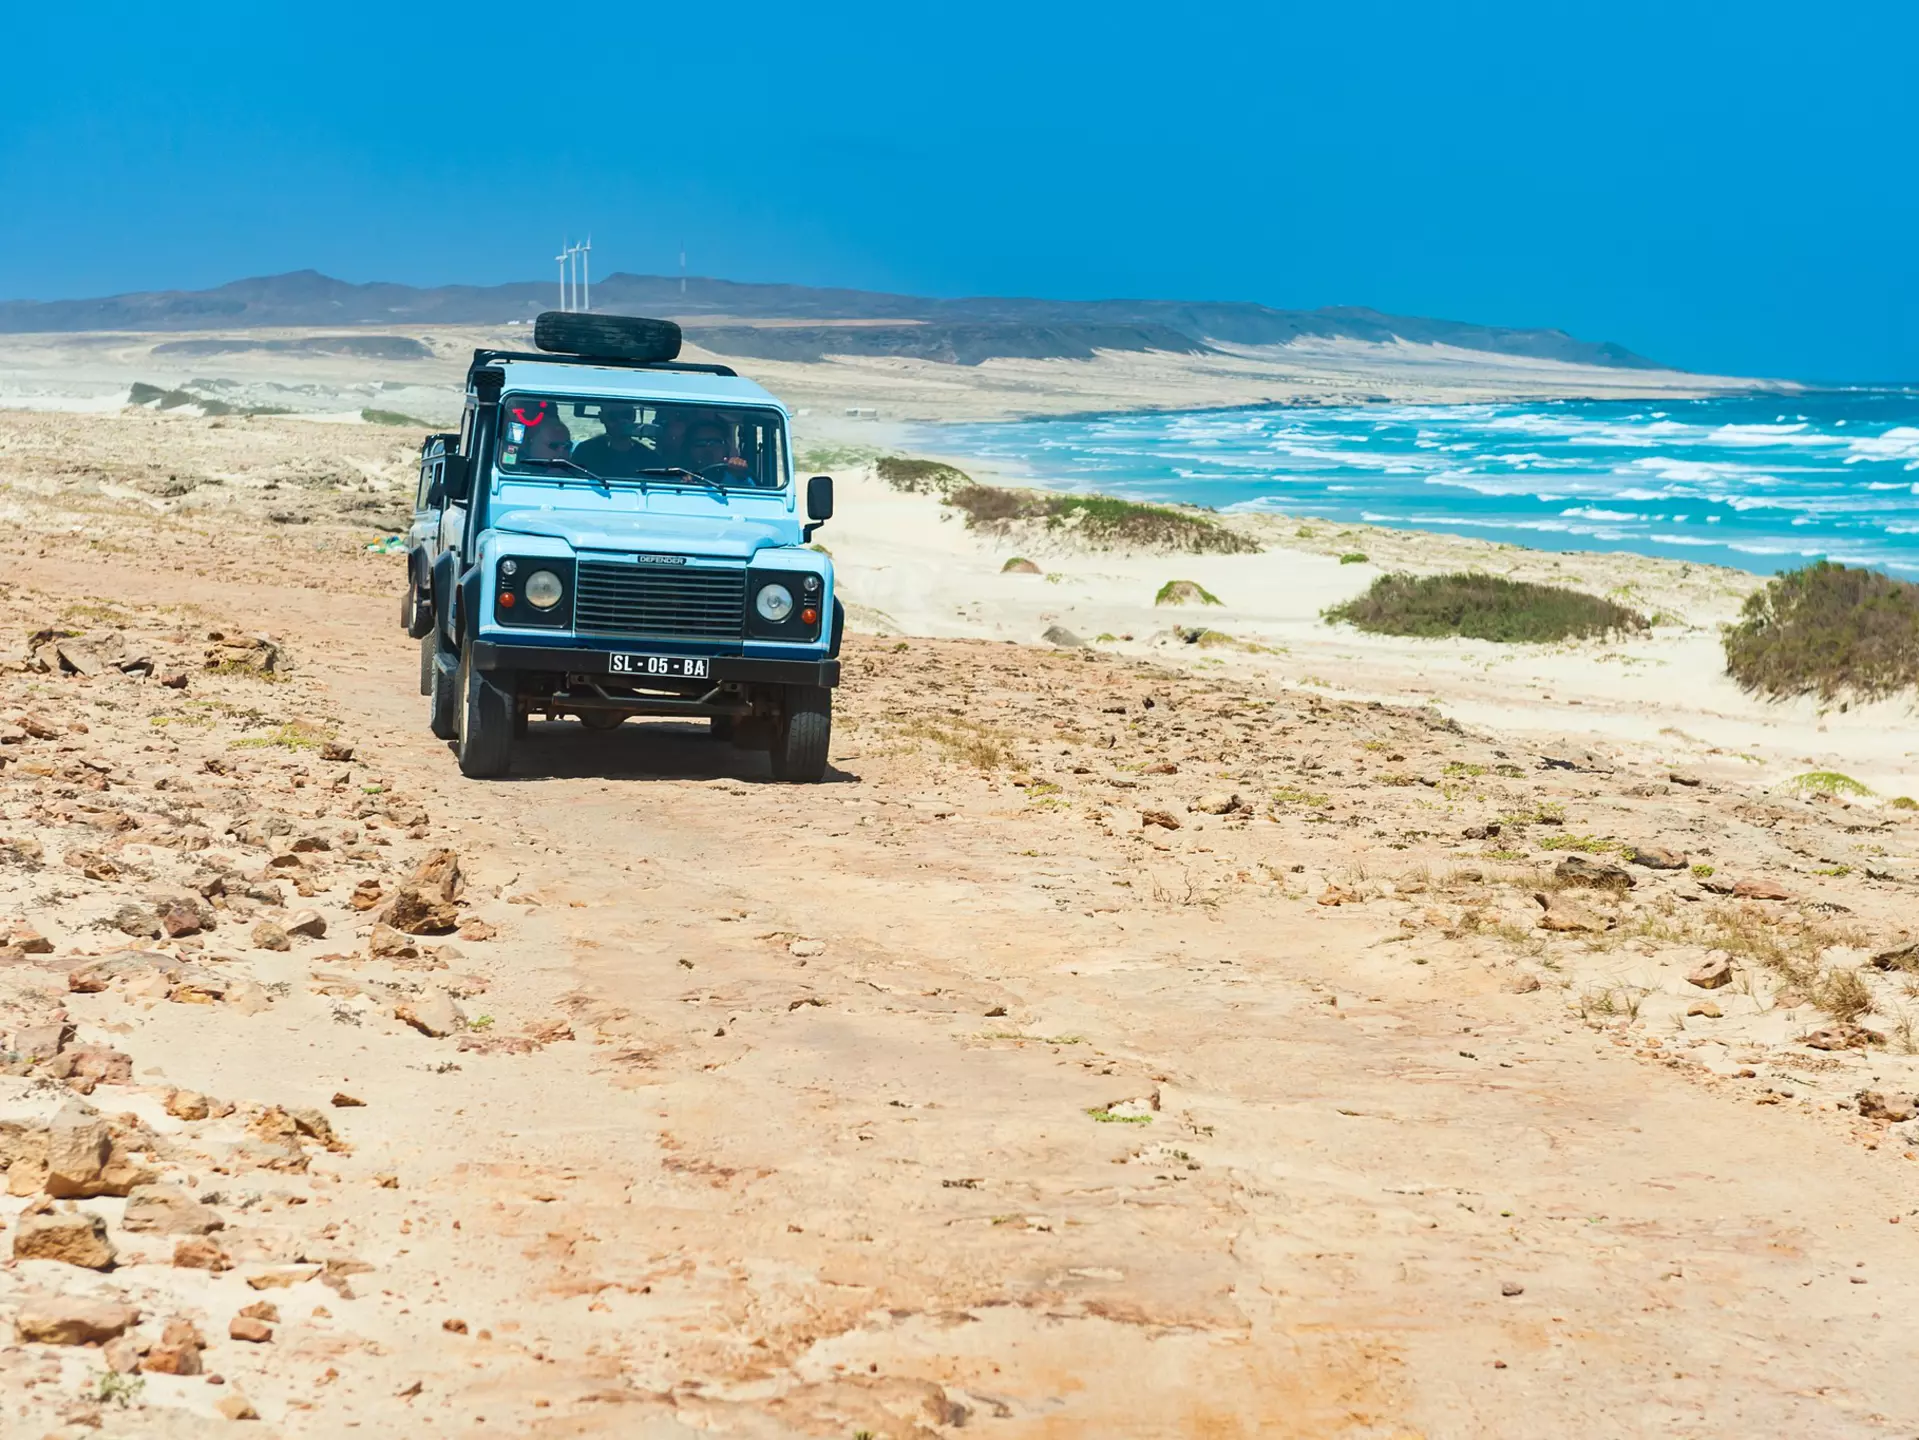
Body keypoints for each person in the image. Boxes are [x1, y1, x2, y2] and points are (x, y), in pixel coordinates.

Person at [571, 402, 649, 476]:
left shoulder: (649, 457)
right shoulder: (585, 452)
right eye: (613, 416)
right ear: (602, 417)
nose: (621, 421)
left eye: (626, 414)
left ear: (634, 415)